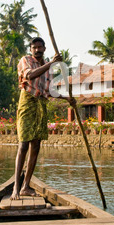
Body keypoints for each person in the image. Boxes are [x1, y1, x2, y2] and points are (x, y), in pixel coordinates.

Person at [11, 37, 75, 200]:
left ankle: (26, 186)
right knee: (24, 143)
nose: (37, 50)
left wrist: (66, 98)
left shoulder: (49, 67)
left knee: (36, 144)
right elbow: (30, 75)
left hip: (41, 104)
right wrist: (51, 63)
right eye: (34, 47)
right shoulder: (25, 60)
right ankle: (16, 187)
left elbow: (50, 91)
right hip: (27, 101)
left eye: (40, 47)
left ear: (44, 49)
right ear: (31, 49)